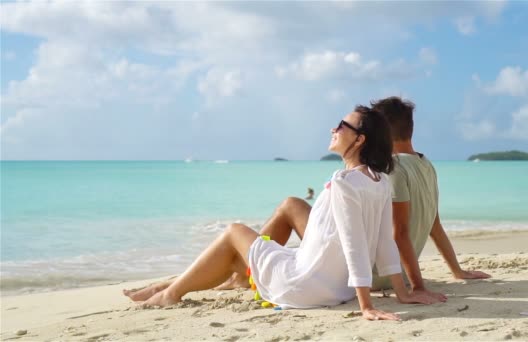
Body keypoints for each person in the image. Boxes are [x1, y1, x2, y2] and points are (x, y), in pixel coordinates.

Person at [124, 106, 428, 320]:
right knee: (264, 232)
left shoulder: (345, 182)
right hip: (336, 288)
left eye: (342, 126)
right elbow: (382, 242)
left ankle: (170, 293)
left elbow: (355, 244)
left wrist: (366, 306)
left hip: (305, 285)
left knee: (234, 232)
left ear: (359, 139)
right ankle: (172, 286)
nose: (334, 129)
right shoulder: (380, 180)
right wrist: (403, 292)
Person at [369, 97, 491, 301]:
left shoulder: (393, 169)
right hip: (399, 277)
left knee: (294, 205)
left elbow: (399, 232)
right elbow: (435, 225)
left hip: (377, 276)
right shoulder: (426, 165)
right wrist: (457, 271)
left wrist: (418, 287)